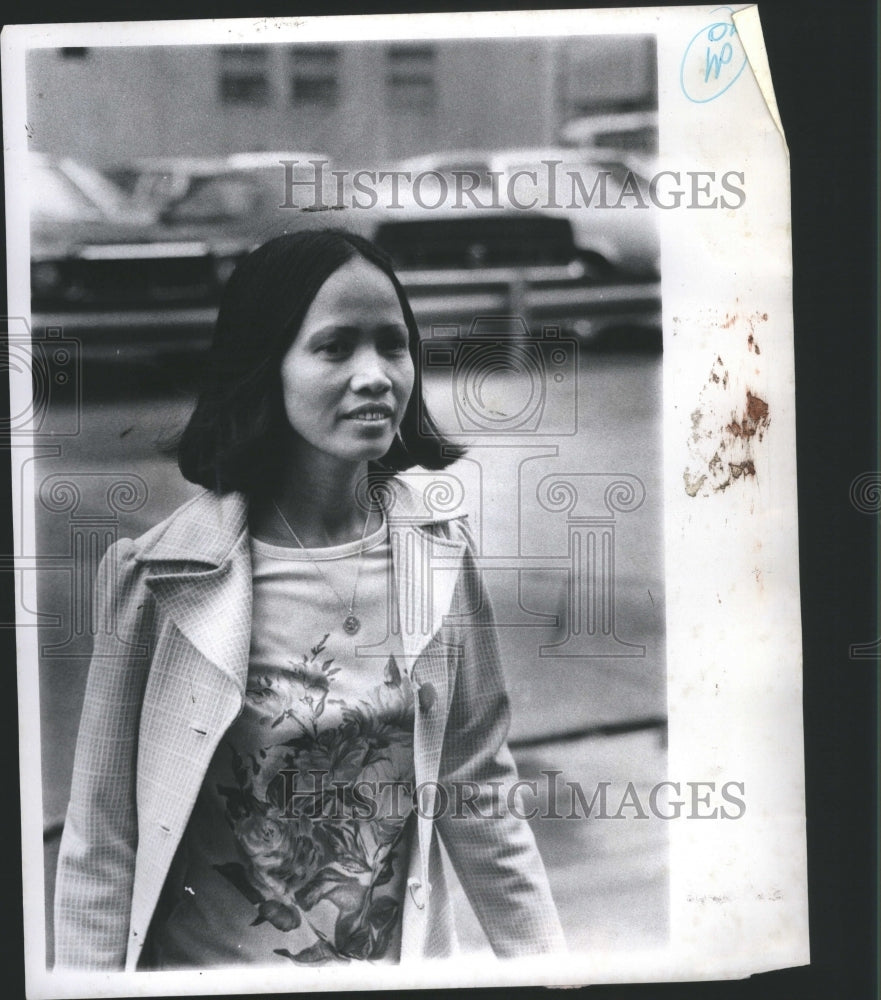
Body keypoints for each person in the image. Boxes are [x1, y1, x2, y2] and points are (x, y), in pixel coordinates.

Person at [53, 229, 565, 971]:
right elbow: (102, 845)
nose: (376, 375)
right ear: (267, 367)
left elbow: (476, 788)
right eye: (334, 347)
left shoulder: (439, 553)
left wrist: (555, 969)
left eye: (393, 344)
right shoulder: (161, 574)